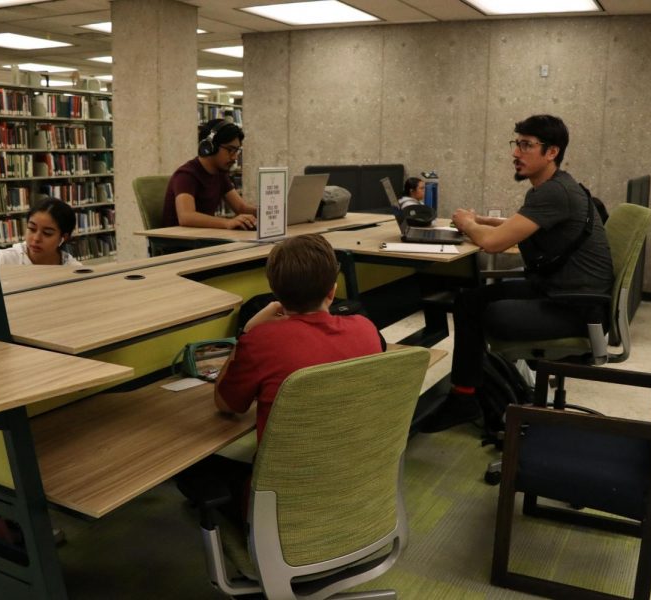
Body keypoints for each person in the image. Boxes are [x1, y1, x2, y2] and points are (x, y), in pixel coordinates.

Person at [420, 114, 614, 432]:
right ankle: (467, 395)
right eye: (516, 144)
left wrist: (466, 222)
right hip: (565, 294)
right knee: (469, 300)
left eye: (526, 145)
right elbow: (517, 226)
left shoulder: (553, 193)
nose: (515, 153)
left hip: (575, 308)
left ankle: (469, 395)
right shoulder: (558, 187)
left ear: (552, 152)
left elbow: (493, 245)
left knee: (484, 310)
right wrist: (481, 220)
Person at [175, 234, 383, 515]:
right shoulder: (365, 328)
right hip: (358, 488)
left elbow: (227, 405)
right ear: (332, 292)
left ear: (276, 294)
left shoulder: (261, 341)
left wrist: (247, 331)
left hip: (284, 507)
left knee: (196, 468)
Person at [162, 119, 257, 229]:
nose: (235, 157)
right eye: (230, 150)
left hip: (203, 238)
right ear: (209, 146)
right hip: (178, 243)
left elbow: (241, 208)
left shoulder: (219, 174)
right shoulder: (186, 175)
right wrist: (227, 222)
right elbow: (186, 217)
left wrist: (270, 212)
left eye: (237, 151)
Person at [0, 197, 82, 266]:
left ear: (63, 237)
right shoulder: (4, 259)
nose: (36, 238)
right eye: (32, 228)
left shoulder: (72, 268)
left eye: (47, 233)